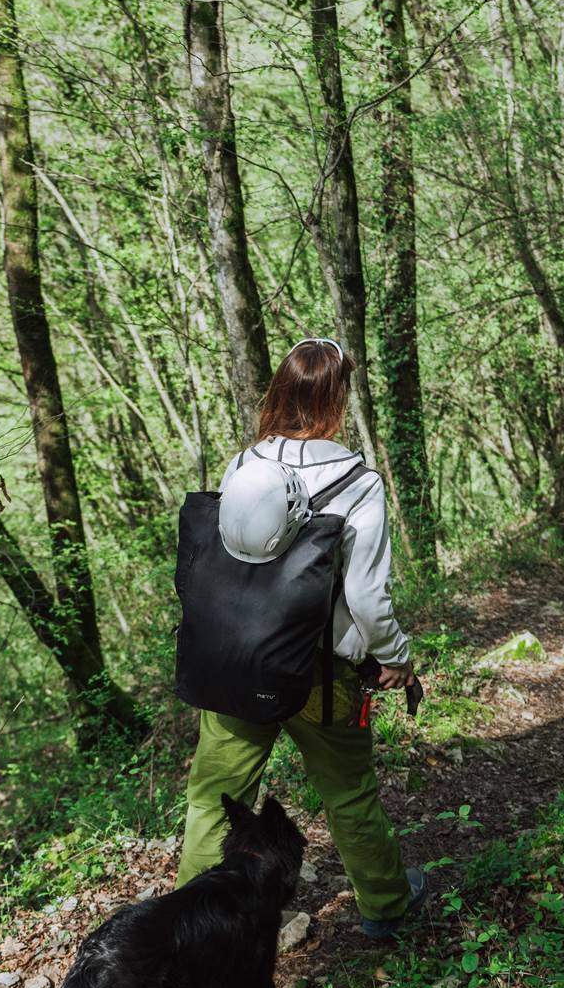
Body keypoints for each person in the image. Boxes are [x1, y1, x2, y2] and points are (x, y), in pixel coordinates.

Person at [175, 337, 427, 939]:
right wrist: (396, 659)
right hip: (320, 672)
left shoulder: (243, 465)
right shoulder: (357, 482)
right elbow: (366, 597)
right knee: (348, 793)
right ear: (338, 397)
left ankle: (192, 929)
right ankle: (386, 908)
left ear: (280, 391)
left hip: (236, 662)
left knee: (214, 799)